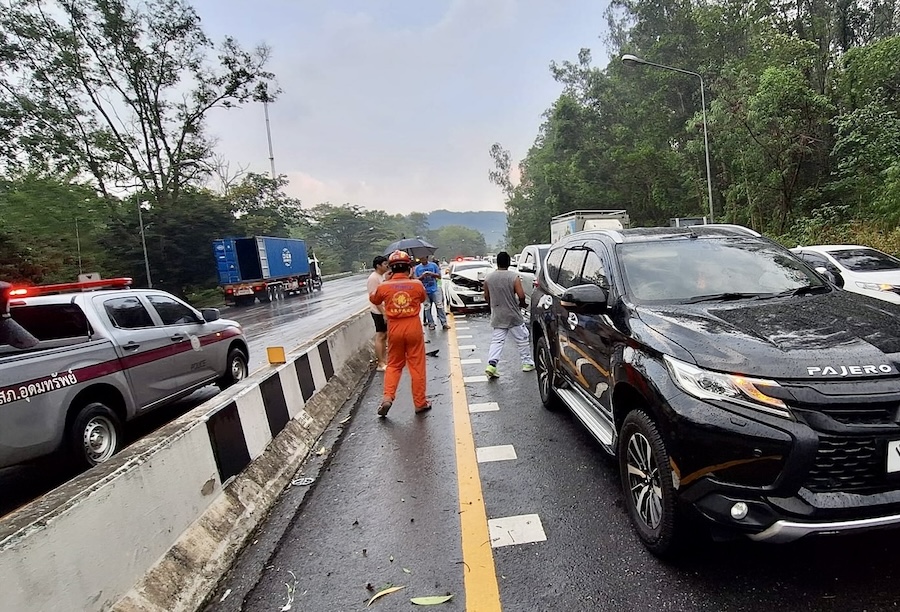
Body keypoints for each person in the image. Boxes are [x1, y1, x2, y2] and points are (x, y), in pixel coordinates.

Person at [369, 250, 432, 416]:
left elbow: (374, 299)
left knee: (395, 365)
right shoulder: (416, 285)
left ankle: (388, 397)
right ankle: (420, 403)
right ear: (409, 268)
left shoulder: (384, 286)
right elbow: (422, 299)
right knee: (417, 366)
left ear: (391, 269)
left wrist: (388, 281)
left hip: (394, 328)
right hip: (413, 327)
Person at [483, 251, 534, 377]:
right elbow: (521, 295)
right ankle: (527, 362)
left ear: (497, 263)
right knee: (522, 338)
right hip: (512, 314)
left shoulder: (488, 278)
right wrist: (522, 303)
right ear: (509, 262)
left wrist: (492, 305)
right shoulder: (513, 277)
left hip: (497, 314)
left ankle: (492, 365)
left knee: (497, 341)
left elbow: (486, 296)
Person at [367, 255, 390, 371]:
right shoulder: (373, 278)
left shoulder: (381, 277)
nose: (387, 266)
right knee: (380, 336)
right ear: (378, 266)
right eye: (385, 264)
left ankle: (384, 360)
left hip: (383, 310)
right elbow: (374, 298)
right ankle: (380, 363)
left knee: (384, 335)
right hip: (378, 311)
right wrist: (383, 313)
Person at [415, 254, 449, 330]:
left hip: (435, 288)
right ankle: (431, 323)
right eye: (421, 258)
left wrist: (431, 274)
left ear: (427, 258)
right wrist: (422, 276)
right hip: (424, 290)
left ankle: (444, 323)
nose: (422, 260)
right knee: (427, 307)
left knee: (439, 305)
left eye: (423, 258)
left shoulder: (433, 265)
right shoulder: (417, 268)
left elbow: (439, 276)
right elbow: (416, 279)